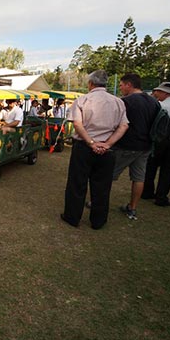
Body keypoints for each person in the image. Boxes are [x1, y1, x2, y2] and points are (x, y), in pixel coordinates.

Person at [61, 70, 128, 230]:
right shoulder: (118, 102)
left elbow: (77, 124)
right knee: (102, 186)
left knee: (77, 183)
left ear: (90, 83)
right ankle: (98, 221)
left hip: (84, 147)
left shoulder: (83, 100)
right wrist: (108, 144)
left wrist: (91, 143)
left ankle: (72, 217)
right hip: (107, 149)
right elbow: (124, 125)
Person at [111, 73, 160, 220]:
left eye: (121, 85)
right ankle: (132, 208)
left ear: (129, 85)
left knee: (108, 175)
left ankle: (96, 202)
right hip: (145, 147)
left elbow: (117, 123)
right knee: (139, 178)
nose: (120, 88)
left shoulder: (125, 101)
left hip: (125, 145)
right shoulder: (154, 102)